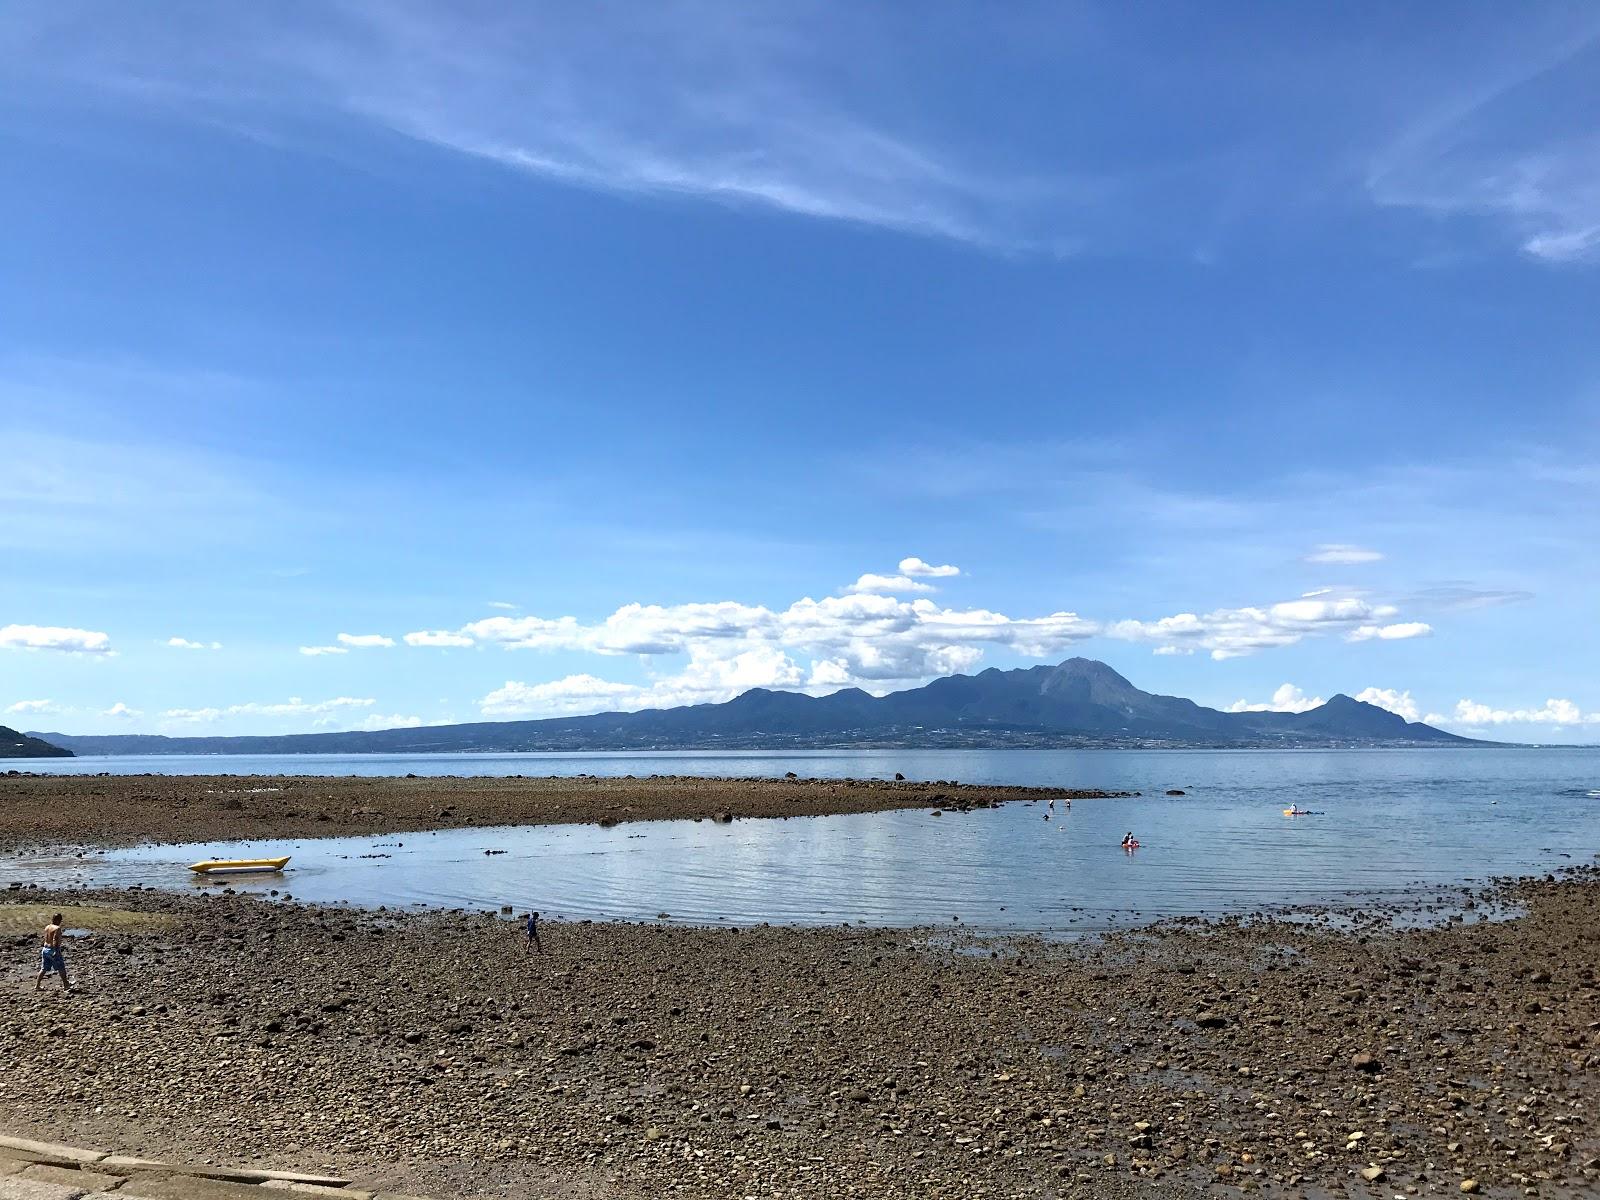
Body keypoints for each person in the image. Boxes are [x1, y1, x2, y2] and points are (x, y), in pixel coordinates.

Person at [35, 914, 71, 993]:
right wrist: (55, 950)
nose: (60, 922)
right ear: (58, 920)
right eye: (60, 921)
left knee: (43, 968)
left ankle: (37, 986)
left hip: (45, 949)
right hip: (53, 949)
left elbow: (45, 938)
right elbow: (55, 939)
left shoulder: (47, 927)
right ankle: (66, 985)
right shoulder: (57, 928)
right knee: (61, 967)